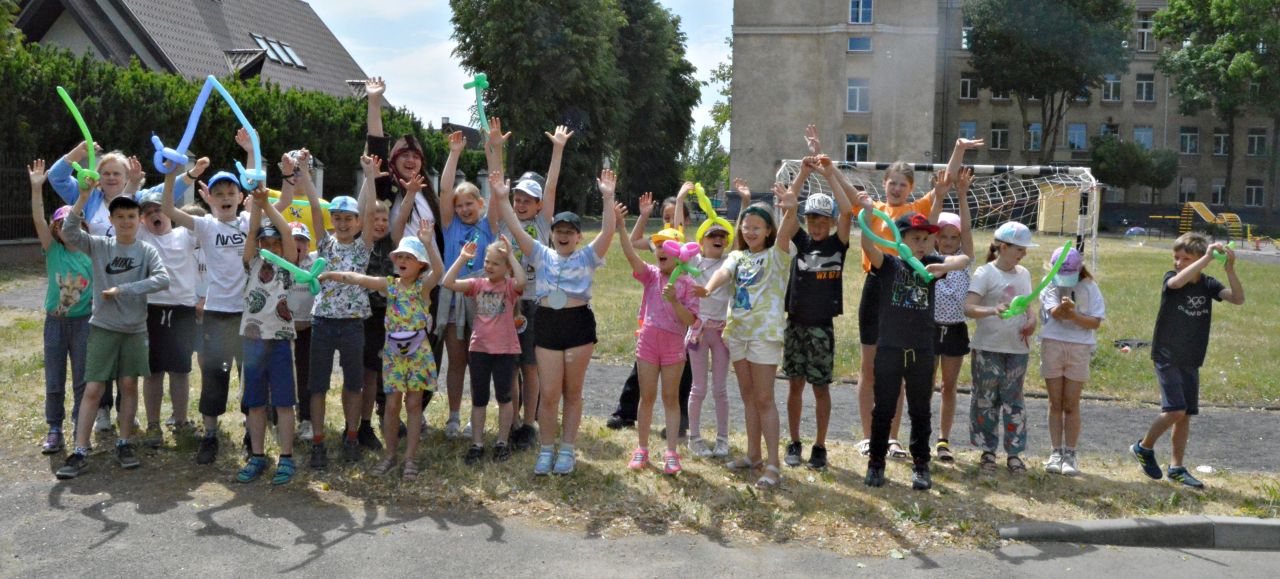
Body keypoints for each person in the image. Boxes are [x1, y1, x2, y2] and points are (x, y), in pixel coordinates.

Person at [50, 143, 191, 431]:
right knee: (101, 355)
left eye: (117, 173)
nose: (112, 177)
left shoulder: (136, 199)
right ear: (97, 175)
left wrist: (190, 174)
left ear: (127, 176)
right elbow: (56, 178)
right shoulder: (88, 198)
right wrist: (80, 151)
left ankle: (125, 411)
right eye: (107, 172)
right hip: (99, 289)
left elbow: (169, 195)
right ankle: (101, 410)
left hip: (131, 290)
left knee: (127, 354)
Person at [854, 138, 981, 456]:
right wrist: (828, 169)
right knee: (874, 366)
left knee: (903, 369)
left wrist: (958, 150)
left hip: (910, 294)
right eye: (892, 182)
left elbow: (943, 187)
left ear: (910, 187)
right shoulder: (875, 210)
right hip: (878, 285)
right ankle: (875, 437)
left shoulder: (917, 214)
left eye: (902, 183)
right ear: (884, 183)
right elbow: (859, 223)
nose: (896, 188)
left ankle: (904, 441)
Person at [492, 167, 618, 475]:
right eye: (558, 230)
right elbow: (515, 228)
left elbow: (608, 231)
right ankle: (547, 449)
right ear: (552, 233)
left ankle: (568, 450)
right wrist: (501, 198)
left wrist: (608, 197)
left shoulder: (588, 256)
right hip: (547, 323)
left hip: (578, 326)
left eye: (569, 231)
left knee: (572, 392)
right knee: (549, 393)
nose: (563, 235)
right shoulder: (540, 254)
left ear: (577, 236)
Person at [55, 175, 170, 479]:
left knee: (129, 385)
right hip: (103, 327)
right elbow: (68, 232)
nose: (126, 221)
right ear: (111, 219)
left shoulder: (147, 252)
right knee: (93, 388)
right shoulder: (99, 245)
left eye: (131, 216)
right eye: (119, 216)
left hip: (134, 330)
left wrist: (125, 289)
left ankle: (125, 442)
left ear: (139, 219)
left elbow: (163, 279)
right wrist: (81, 198)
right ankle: (80, 450)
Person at [856, 192, 971, 488]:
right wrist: (868, 212)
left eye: (925, 239)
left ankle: (921, 465)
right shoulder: (891, 265)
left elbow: (965, 258)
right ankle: (876, 463)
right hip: (890, 348)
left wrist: (943, 266)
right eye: (916, 239)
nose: (921, 245)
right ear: (901, 239)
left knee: (920, 409)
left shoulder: (932, 265)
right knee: (883, 409)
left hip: (922, 348)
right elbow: (868, 244)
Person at [694, 174, 802, 489]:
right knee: (748, 396)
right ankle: (753, 456)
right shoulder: (738, 256)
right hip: (737, 334)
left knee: (765, 398)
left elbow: (788, 227)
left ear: (768, 231)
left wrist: (790, 208)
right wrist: (706, 289)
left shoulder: (777, 255)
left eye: (757, 226)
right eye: (746, 225)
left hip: (764, 335)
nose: (749, 230)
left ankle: (773, 465)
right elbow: (723, 275)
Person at [320, 221, 443, 481]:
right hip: (394, 355)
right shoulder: (390, 285)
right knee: (391, 405)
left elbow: (439, 271)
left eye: (408, 257)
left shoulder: (423, 288)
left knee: (413, 404)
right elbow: (358, 278)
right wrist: (332, 274)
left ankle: (410, 458)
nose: (401, 260)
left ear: (420, 264)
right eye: (399, 256)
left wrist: (428, 243)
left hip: (418, 355)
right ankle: (390, 455)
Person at [486, 118, 572, 451]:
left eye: (528, 199)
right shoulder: (503, 220)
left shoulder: (541, 221)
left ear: (538, 206)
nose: (521, 203)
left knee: (530, 366)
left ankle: (531, 423)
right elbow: (496, 186)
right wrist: (496, 148)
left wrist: (558, 150)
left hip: (535, 302)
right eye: (517, 197)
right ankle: (515, 419)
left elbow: (550, 186)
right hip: (505, 303)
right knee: (509, 366)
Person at [1132, 233, 1244, 488]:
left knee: (1185, 415)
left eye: (1185, 258)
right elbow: (1176, 284)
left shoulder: (1208, 284)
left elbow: (1238, 298)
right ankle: (1143, 447)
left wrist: (1230, 269)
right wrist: (1204, 258)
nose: (1179, 263)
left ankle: (1177, 467)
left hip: (1191, 357)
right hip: (1167, 354)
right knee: (1175, 409)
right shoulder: (1171, 279)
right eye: (1177, 257)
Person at [161, 155, 250, 465]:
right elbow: (168, 209)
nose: (226, 198)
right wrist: (172, 175)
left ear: (241, 197)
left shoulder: (250, 221)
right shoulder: (206, 225)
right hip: (216, 312)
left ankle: (253, 433)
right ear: (209, 197)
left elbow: (281, 204)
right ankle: (210, 436)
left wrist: (252, 157)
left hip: (248, 313)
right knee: (214, 375)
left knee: (249, 375)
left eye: (231, 193)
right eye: (219, 193)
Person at [615, 202, 699, 475]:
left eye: (667, 247)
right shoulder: (651, 276)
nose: (661, 250)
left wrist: (675, 301)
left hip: (674, 346)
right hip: (648, 343)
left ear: (679, 255)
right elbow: (630, 255)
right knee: (647, 397)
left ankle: (672, 453)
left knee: (670, 398)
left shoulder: (686, 283)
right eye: (658, 246)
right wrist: (620, 226)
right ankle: (642, 449)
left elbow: (690, 320)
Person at [783, 146, 853, 472]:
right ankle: (794, 441)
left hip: (822, 325)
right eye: (812, 219)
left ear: (831, 222)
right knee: (794, 384)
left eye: (822, 220)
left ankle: (820, 446)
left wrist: (828, 173)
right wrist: (803, 172)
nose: (816, 225)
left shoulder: (838, 243)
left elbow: (849, 211)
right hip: (795, 322)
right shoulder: (802, 241)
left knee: (820, 387)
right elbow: (789, 207)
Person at [305, 154, 379, 468]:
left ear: (359, 222)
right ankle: (319, 440)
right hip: (322, 322)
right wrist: (306, 174)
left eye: (349, 217)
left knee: (353, 384)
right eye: (338, 217)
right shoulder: (323, 244)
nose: (343, 222)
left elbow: (371, 208)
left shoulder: (363, 247)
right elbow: (313, 205)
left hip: (352, 324)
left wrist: (370, 177)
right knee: (318, 385)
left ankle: (351, 437)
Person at [135, 160, 207, 449]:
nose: (155, 215)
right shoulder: (140, 237)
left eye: (159, 210)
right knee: (153, 371)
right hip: (151, 310)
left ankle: (179, 420)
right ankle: (153, 424)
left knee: (181, 369)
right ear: (142, 219)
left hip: (182, 312)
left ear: (169, 213)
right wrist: (142, 182)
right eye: (148, 212)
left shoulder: (184, 235)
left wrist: (175, 177)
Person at [436, 131, 500, 439]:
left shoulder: (490, 225)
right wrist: (454, 153)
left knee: (481, 362)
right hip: (454, 299)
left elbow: (498, 185)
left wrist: (494, 150)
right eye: (459, 205)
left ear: (481, 202)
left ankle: (479, 415)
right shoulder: (451, 227)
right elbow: (445, 189)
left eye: (469, 203)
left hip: (486, 301)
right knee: (457, 360)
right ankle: (452, 418)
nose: (463, 209)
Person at [235, 187, 298, 484]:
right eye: (266, 242)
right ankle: (257, 456)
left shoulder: (288, 268)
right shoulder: (253, 263)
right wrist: (257, 207)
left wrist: (267, 206)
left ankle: (286, 457)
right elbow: (250, 233)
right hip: (253, 343)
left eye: (276, 243)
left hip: (280, 341)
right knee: (255, 402)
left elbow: (286, 230)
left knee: (284, 402)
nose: (272, 246)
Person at [29, 159, 92, 455]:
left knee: (82, 379)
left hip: (84, 324)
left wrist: (82, 196)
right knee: (54, 378)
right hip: (54, 322)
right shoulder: (52, 249)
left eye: (74, 224)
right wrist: (36, 188)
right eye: (61, 225)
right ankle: (55, 428)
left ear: (82, 227)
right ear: (55, 229)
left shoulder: (93, 250)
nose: (67, 229)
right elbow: (38, 220)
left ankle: (81, 426)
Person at [964, 221, 1038, 476]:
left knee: (1014, 400)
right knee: (986, 399)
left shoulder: (1024, 274)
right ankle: (987, 451)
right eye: (1019, 249)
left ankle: (1015, 453)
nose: (1024, 254)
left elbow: (1028, 306)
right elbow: (969, 307)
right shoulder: (986, 273)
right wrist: (992, 309)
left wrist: (1032, 320)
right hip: (988, 347)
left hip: (1017, 349)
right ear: (1003, 247)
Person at [442, 236, 524, 464]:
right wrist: (462, 259)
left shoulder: (509, 287)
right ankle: (477, 444)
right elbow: (448, 283)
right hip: (479, 349)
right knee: (479, 398)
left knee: (504, 397)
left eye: (495, 263)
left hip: (505, 351)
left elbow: (522, 281)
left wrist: (511, 256)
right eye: (487, 261)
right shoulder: (477, 284)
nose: (488, 266)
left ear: (506, 267)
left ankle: (502, 442)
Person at [672, 185, 739, 459]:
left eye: (722, 235)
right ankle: (695, 437)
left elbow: (741, 240)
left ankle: (723, 439)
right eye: (712, 235)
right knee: (697, 388)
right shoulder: (695, 261)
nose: (718, 238)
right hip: (698, 333)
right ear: (701, 241)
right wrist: (679, 200)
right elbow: (677, 235)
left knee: (721, 389)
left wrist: (743, 200)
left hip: (721, 334)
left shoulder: (730, 262)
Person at [1039, 247, 1104, 477]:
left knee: (1071, 404)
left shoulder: (1090, 287)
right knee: (1055, 403)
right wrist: (1064, 308)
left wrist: (1075, 314)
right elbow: (1053, 313)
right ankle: (1055, 452)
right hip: (1053, 344)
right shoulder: (1049, 285)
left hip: (1079, 348)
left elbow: (1095, 322)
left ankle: (1071, 453)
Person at [931, 168, 976, 463]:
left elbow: (968, 234)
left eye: (953, 237)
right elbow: (930, 224)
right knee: (921, 385)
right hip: (929, 328)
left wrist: (961, 195)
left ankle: (943, 439)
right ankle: (919, 434)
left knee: (949, 386)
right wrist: (939, 194)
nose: (948, 242)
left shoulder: (964, 260)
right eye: (943, 236)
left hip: (955, 329)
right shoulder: (929, 258)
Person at [287, 220, 318, 441]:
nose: (298, 244)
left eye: (302, 240)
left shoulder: (315, 261)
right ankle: (275, 413)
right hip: (283, 327)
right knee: (282, 372)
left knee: (306, 373)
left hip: (308, 327)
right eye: (293, 239)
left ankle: (306, 419)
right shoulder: (278, 263)